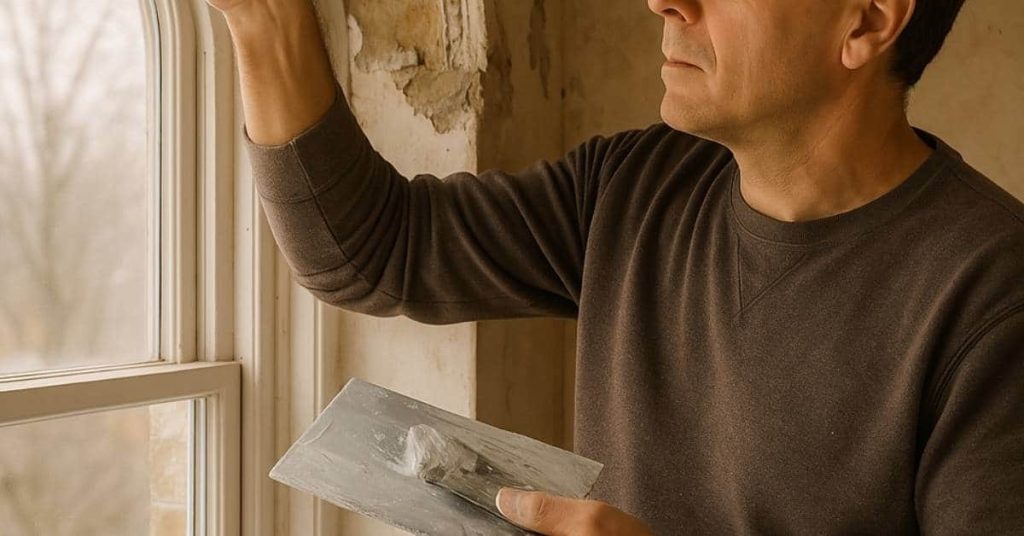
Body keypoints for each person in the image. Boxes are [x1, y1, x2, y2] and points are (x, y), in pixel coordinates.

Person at [209, 0, 1023, 533]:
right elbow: (371, 252)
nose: (665, 0)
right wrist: (265, 21)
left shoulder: (994, 295)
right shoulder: (637, 186)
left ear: (869, 20)